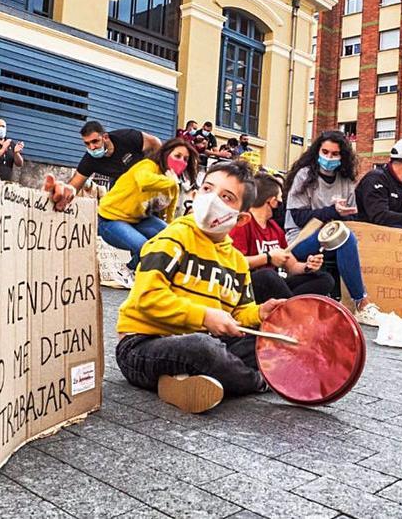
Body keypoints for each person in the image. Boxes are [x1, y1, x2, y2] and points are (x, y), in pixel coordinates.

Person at [115, 161, 284, 414]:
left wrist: (259, 314)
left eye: (226, 197)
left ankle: (183, 382)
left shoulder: (237, 262)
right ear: (195, 195)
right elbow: (147, 298)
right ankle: (259, 382)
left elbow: (239, 314)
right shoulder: (172, 238)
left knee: (263, 345)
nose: (212, 199)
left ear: (241, 219)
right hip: (142, 346)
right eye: (207, 189)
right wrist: (204, 316)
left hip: (204, 340)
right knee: (204, 348)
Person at [283, 131, 387, 325]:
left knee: (345, 237)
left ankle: (357, 302)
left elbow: (352, 215)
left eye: (334, 154)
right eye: (325, 152)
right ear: (317, 152)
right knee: (345, 238)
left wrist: (347, 213)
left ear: (342, 156)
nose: (329, 158)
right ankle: (362, 303)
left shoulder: (345, 180)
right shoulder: (304, 176)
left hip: (333, 238)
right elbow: (298, 217)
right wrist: (332, 211)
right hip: (300, 239)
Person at [97, 138, 198, 287]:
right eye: (177, 156)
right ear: (165, 154)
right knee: (145, 246)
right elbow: (144, 181)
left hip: (138, 220)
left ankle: (165, 276)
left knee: (169, 237)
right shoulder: (148, 166)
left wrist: (171, 236)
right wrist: (170, 181)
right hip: (110, 219)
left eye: (185, 159)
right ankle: (126, 271)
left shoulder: (173, 185)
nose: (181, 161)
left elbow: (169, 215)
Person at [230, 175, 335, 303]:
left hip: (274, 285)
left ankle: (287, 306)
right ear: (272, 201)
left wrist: (308, 266)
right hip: (249, 285)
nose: (281, 204)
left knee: (324, 279)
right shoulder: (244, 224)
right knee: (267, 275)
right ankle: (291, 310)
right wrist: (268, 257)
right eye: (280, 199)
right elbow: (234, 263)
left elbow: (292, 266)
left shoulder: (274, 228)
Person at [49, 120, 162, 210]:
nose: (92, 147)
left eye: (95, 141)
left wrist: (158, 169)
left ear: (105, 137)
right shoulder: (89, 160)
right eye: (87, 143)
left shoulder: (127, 137)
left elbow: (155, 142)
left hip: (145, 178)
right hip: (121, 183)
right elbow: (74, 184)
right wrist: (62, 194)